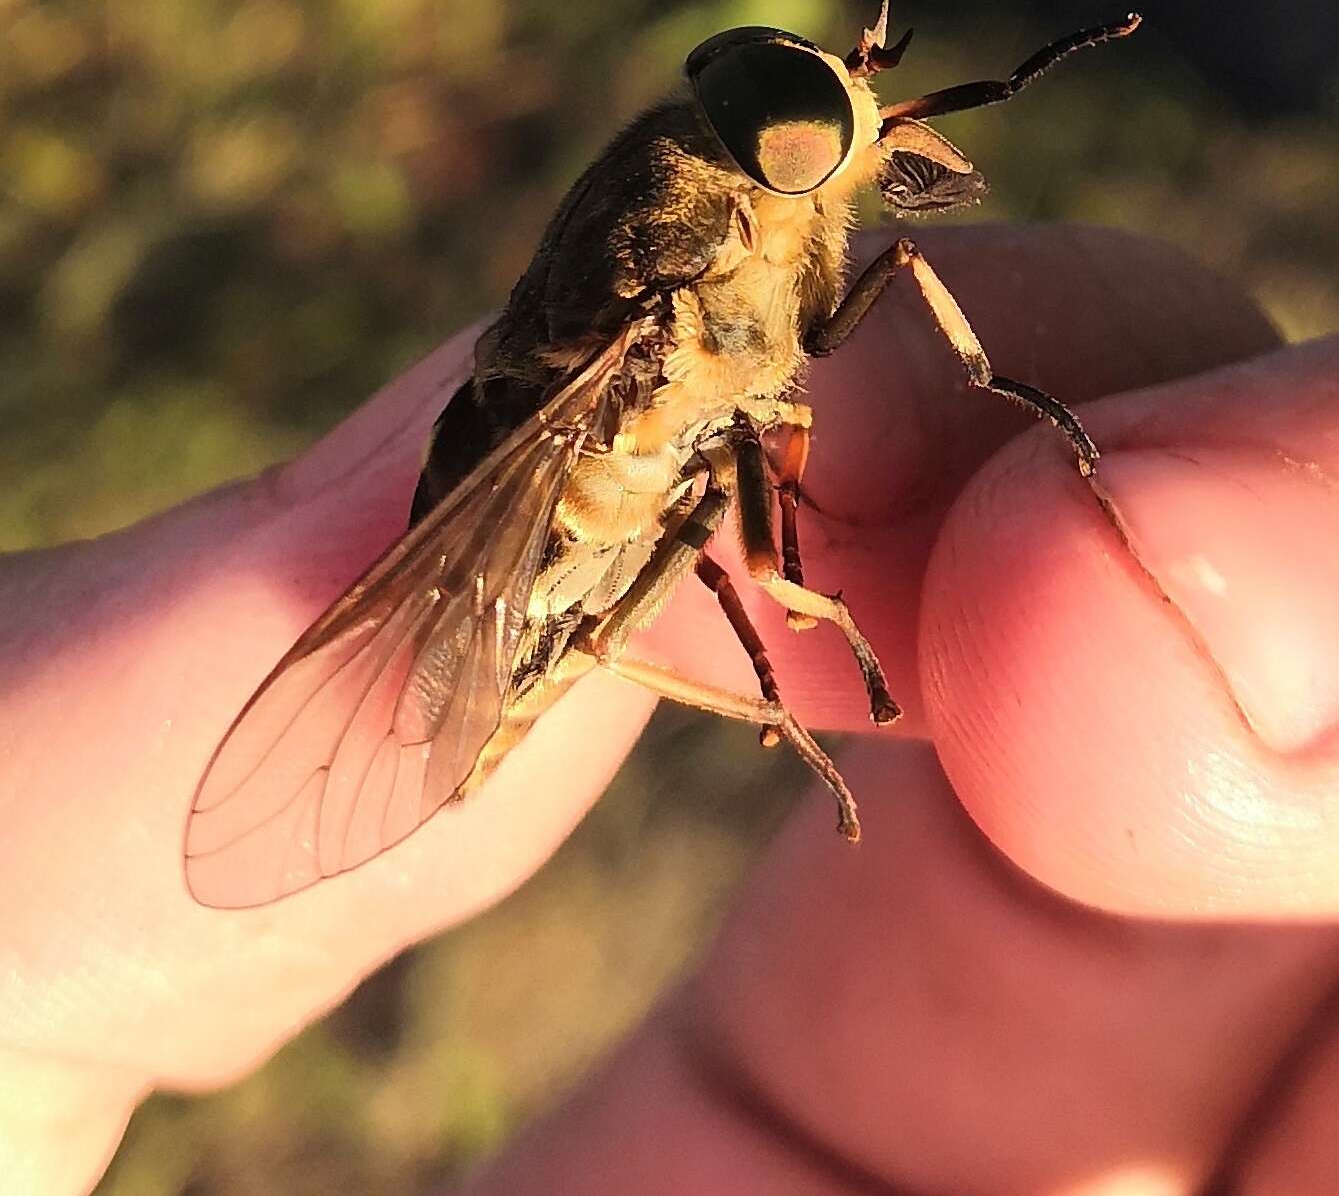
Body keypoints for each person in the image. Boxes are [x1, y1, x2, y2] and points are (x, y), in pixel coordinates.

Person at [5, 225, 1338, 1195]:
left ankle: (786, 662)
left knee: (734, 511)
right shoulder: (697, 287)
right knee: (678, 557)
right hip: (544, 520)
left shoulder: (774, 246)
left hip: (624, 478)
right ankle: (779, 670)